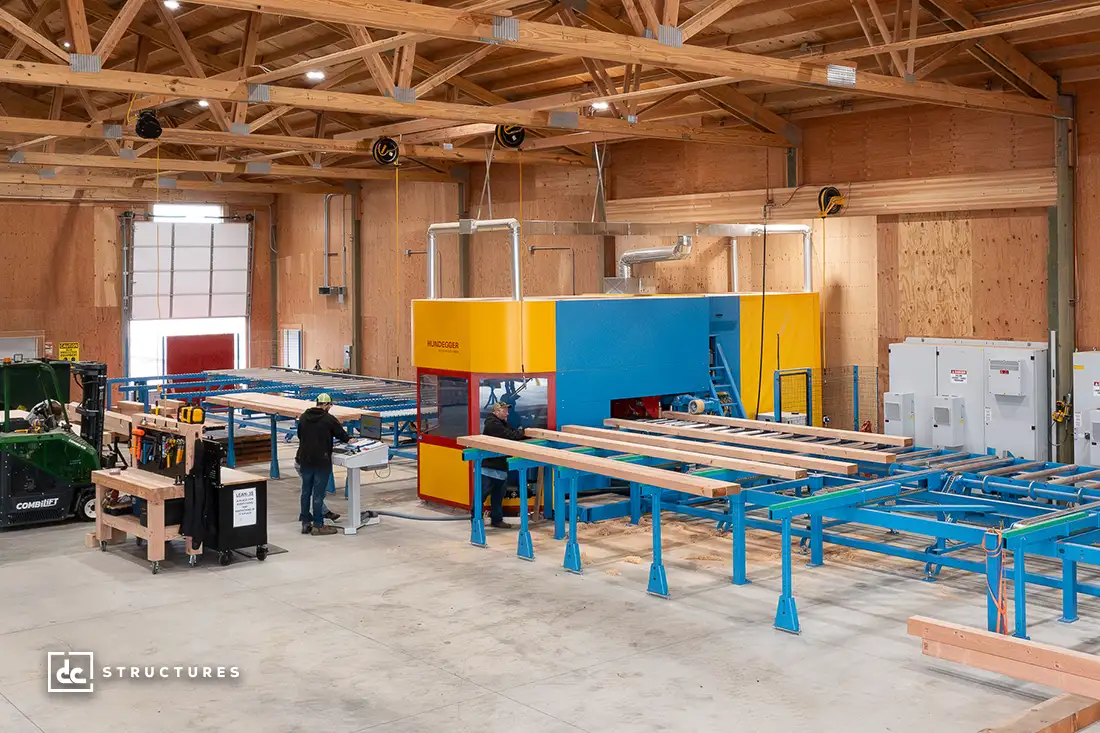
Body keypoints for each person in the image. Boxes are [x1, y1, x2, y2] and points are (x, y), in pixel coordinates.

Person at [296, 393, 349, 536]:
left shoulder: (303, 417)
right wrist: (351, 441)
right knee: (318, 494)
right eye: (330, 405)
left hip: (305, 459)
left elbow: (300, 435)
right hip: (321, 461)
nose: (330, 407)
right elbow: (342, 435)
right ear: (326, 405)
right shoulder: (328, 419)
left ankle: (305, 523)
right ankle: (318, 525)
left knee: (306, 492)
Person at [479, 400, 527, 529]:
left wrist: (521, 433)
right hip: (490, 466)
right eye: (504, 411)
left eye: (507, 410)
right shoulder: (493, 424)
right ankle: (475, 519)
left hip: (500, 466)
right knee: (482, 494)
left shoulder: (502, 423)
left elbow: (514, 433)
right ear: (496, 412)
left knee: (498, 496)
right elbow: (511, 435)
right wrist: (522, 432)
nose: (507, 413)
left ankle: (497, 519)